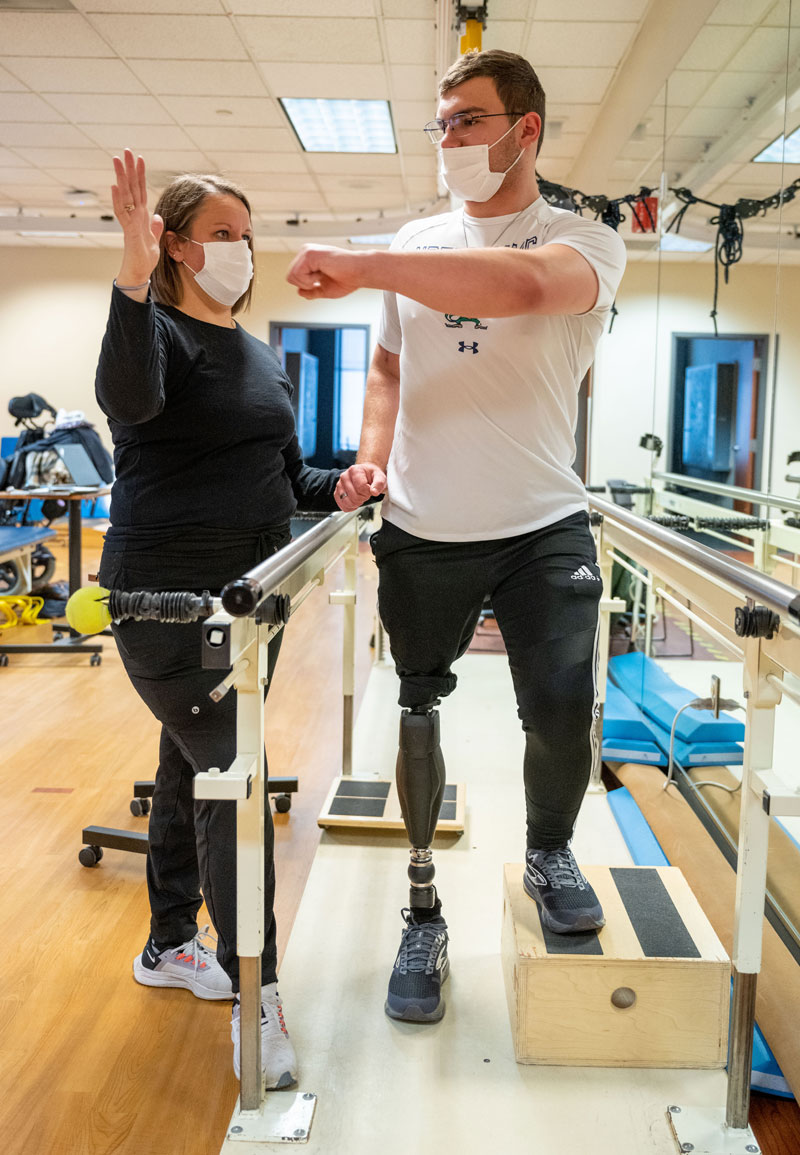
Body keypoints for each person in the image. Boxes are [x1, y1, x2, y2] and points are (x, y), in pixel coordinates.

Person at [287, 50, 627, 1023]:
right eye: (439, 125)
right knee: (417, 708)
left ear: (525, 130)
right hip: (423, 525)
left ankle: (548, 852)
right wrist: (369, 458)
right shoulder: (416, 239)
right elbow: (388, 370)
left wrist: (364, 263)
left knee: (561, 705)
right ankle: (421, 904)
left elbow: (519, 289)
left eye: (467, 122)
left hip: (541, 520)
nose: (448, 143)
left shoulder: (583, 240)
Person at [95, 150, 349, 1084]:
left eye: (249, 233)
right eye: (223, 235)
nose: (243, 250)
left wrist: (345, 483)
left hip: (251, 604)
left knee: (188, 761)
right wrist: (129, 272)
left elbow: (288, 479)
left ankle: (167, 945)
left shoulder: (258, 354)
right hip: (167, 605)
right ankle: (260, 993)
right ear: (174, 246)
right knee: (235, 776)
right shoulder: (153, 334)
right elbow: (127, 398)